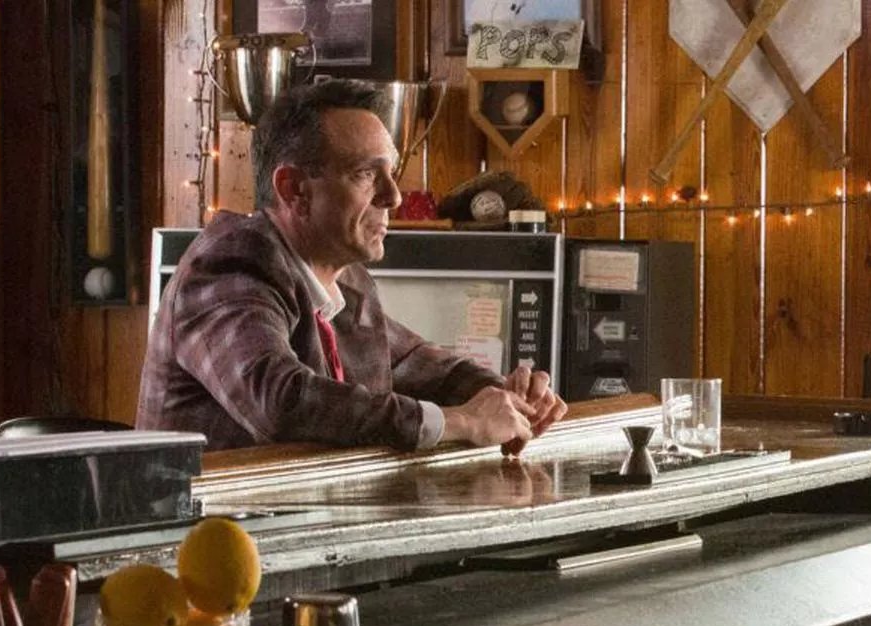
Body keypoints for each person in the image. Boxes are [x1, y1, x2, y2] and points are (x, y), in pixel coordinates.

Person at [136, 80, 567, 452]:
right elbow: (281, 401)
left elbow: (415, 362)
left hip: (299, 518)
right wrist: (463, 422)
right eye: (365, 174)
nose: (393, 196)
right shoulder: (231, 267)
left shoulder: (343, 277)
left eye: (391, 172)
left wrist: (504, 395)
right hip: (205, 524)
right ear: (294, 189)